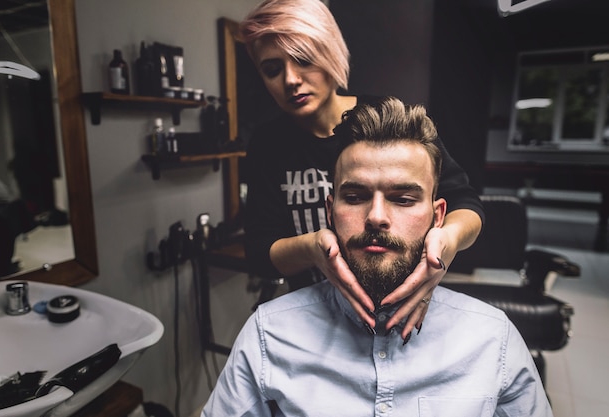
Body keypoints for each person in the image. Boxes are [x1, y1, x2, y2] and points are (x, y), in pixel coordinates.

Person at [201, 97, 551, 416]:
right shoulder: (268, 336)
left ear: (438, 216)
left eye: (403, 198)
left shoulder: (492, 340)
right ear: (329, 211)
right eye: (354, 197)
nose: (376, 217)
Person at [240, 0, 484, 338]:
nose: (291, 80)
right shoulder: (268, 144)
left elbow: (465, 204)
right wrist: (313, 247)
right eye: (272, 69)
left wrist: (447, 241)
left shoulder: (385, 120)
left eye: (304, 59)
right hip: (317, 315)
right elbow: (258, 251)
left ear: (329, 53)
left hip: (401, 307)